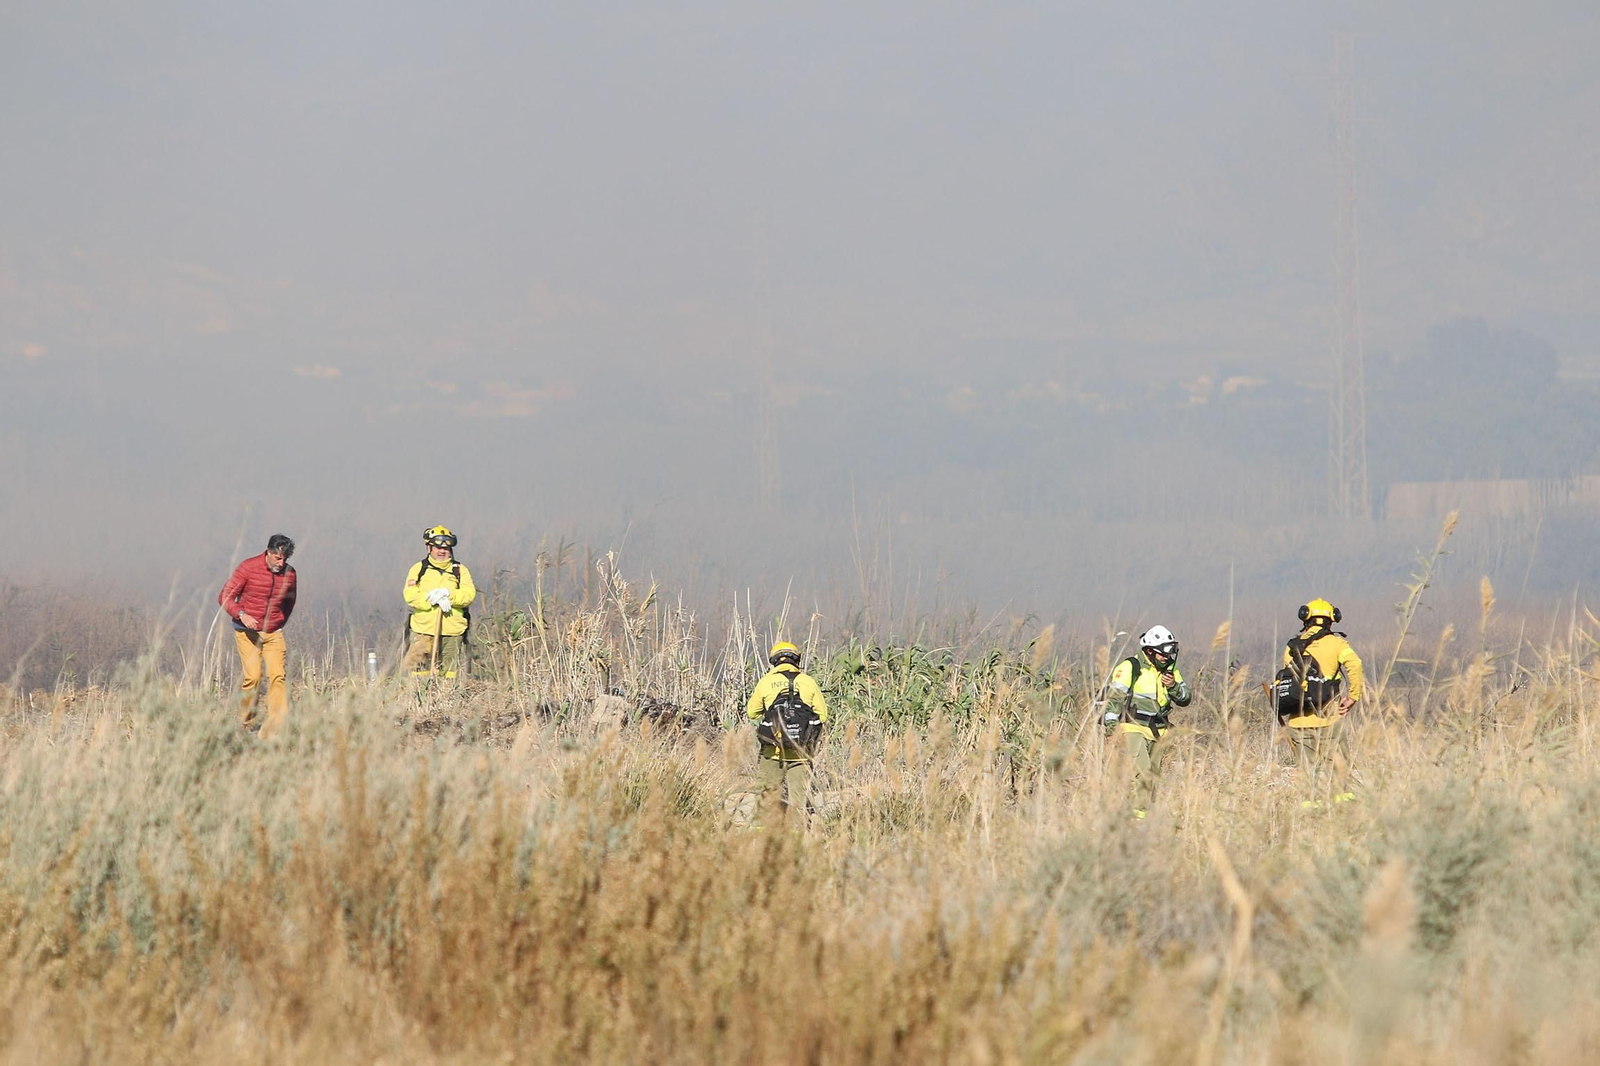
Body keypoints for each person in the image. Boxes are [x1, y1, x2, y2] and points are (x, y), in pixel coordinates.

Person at [1274, 598, 1364, 801]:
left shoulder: (1291, 648)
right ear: (1332, 621)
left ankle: (1309, 817)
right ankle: (1343, 812)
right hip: (1329, 720)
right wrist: (1353, 696)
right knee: (1340, 777)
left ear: (1306, 619)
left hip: (1298, 723)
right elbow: (1355, 665)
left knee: (1308, 777)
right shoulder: (1338, 644)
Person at [1103, 625, 1191, 817]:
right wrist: (1111, 730)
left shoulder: (1170, 670)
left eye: (1170, 651)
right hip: (1132, 726)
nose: (1167, 657)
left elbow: (1185, 698)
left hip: (1159, 730)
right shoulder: (1129, 667)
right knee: (1142, 774)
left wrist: (1174, 686)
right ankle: (1138, 821)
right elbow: (1114, 700)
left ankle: (1138, 815)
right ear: (1149, 651)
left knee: (1152, 778)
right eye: (1163, 652)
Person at [218, 534, 298, 736]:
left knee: (278, 675)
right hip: (247, 632)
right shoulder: (248, 567)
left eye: (285, 559)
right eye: (278, 558)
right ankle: (245, 722)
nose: (281, 563)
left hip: (273, 632)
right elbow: (225, 596)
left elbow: (290, 601)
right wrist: (242, 615)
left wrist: (279, 621)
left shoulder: (290, 574)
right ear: (268, 552)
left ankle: (277, 725)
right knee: (253, 677)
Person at [745, 641, 828, 826]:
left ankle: (760, 841)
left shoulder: (766, 682)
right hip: (801, 753)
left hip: (772, 753)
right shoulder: (808, 682)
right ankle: (796, 841)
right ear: (796, 660)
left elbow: (752, 712)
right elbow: (823, 715)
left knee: (764, 799)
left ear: (774, 661)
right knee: (798, 802)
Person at [402, 526, 477, 678]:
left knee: (449, 672)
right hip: (423, 629)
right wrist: (430, 599)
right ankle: (421, 699)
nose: (442, 551)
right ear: (429, 548)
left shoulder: (460, 570)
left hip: (452, 631)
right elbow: (410, 594)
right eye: (438, 548)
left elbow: (469, 594)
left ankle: (446, 698)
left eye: (446, 548)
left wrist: (449, 595)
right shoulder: (419, 569)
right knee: (419, 671)